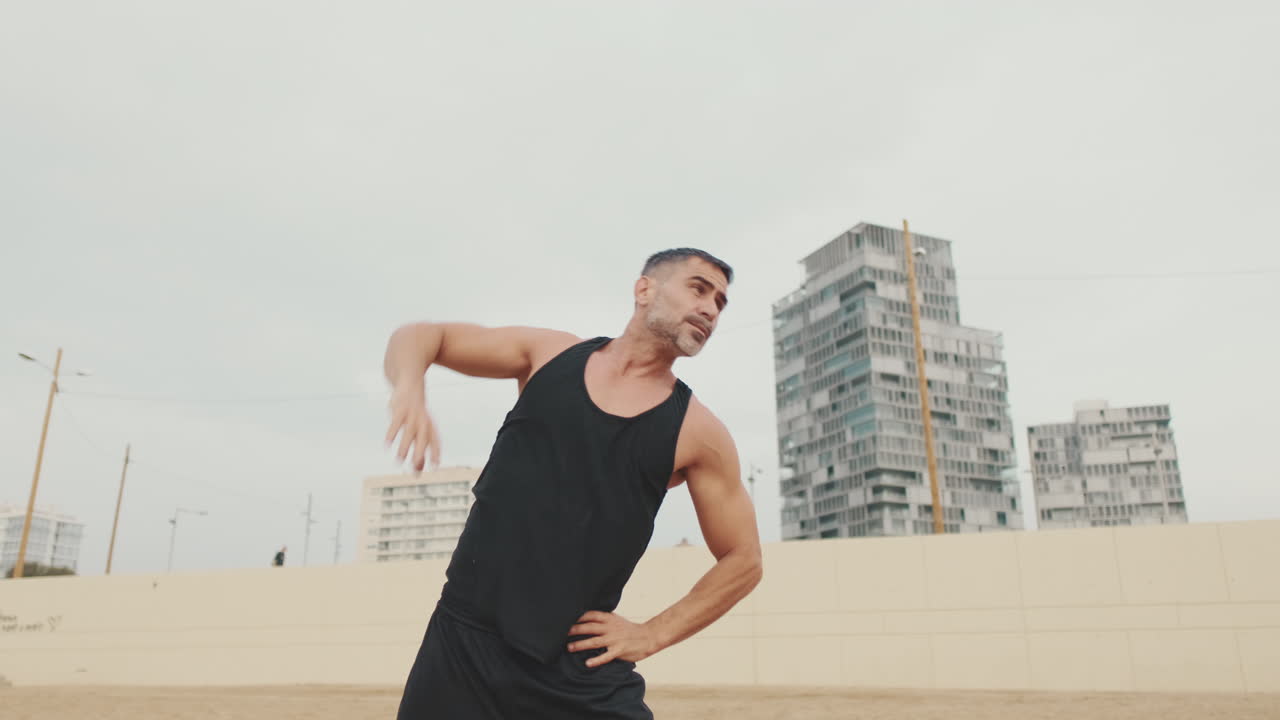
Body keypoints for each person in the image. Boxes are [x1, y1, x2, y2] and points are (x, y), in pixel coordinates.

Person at [383, 249, 763, 719]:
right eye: (698, 288)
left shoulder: (698, 433)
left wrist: (651, 633)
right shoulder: (549, 356)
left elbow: (744, 560)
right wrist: (409, 388)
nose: (711, 308)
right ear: (645, 289)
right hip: (462, 644)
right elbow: (422, 336)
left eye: (721, 303)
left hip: (574, 673)